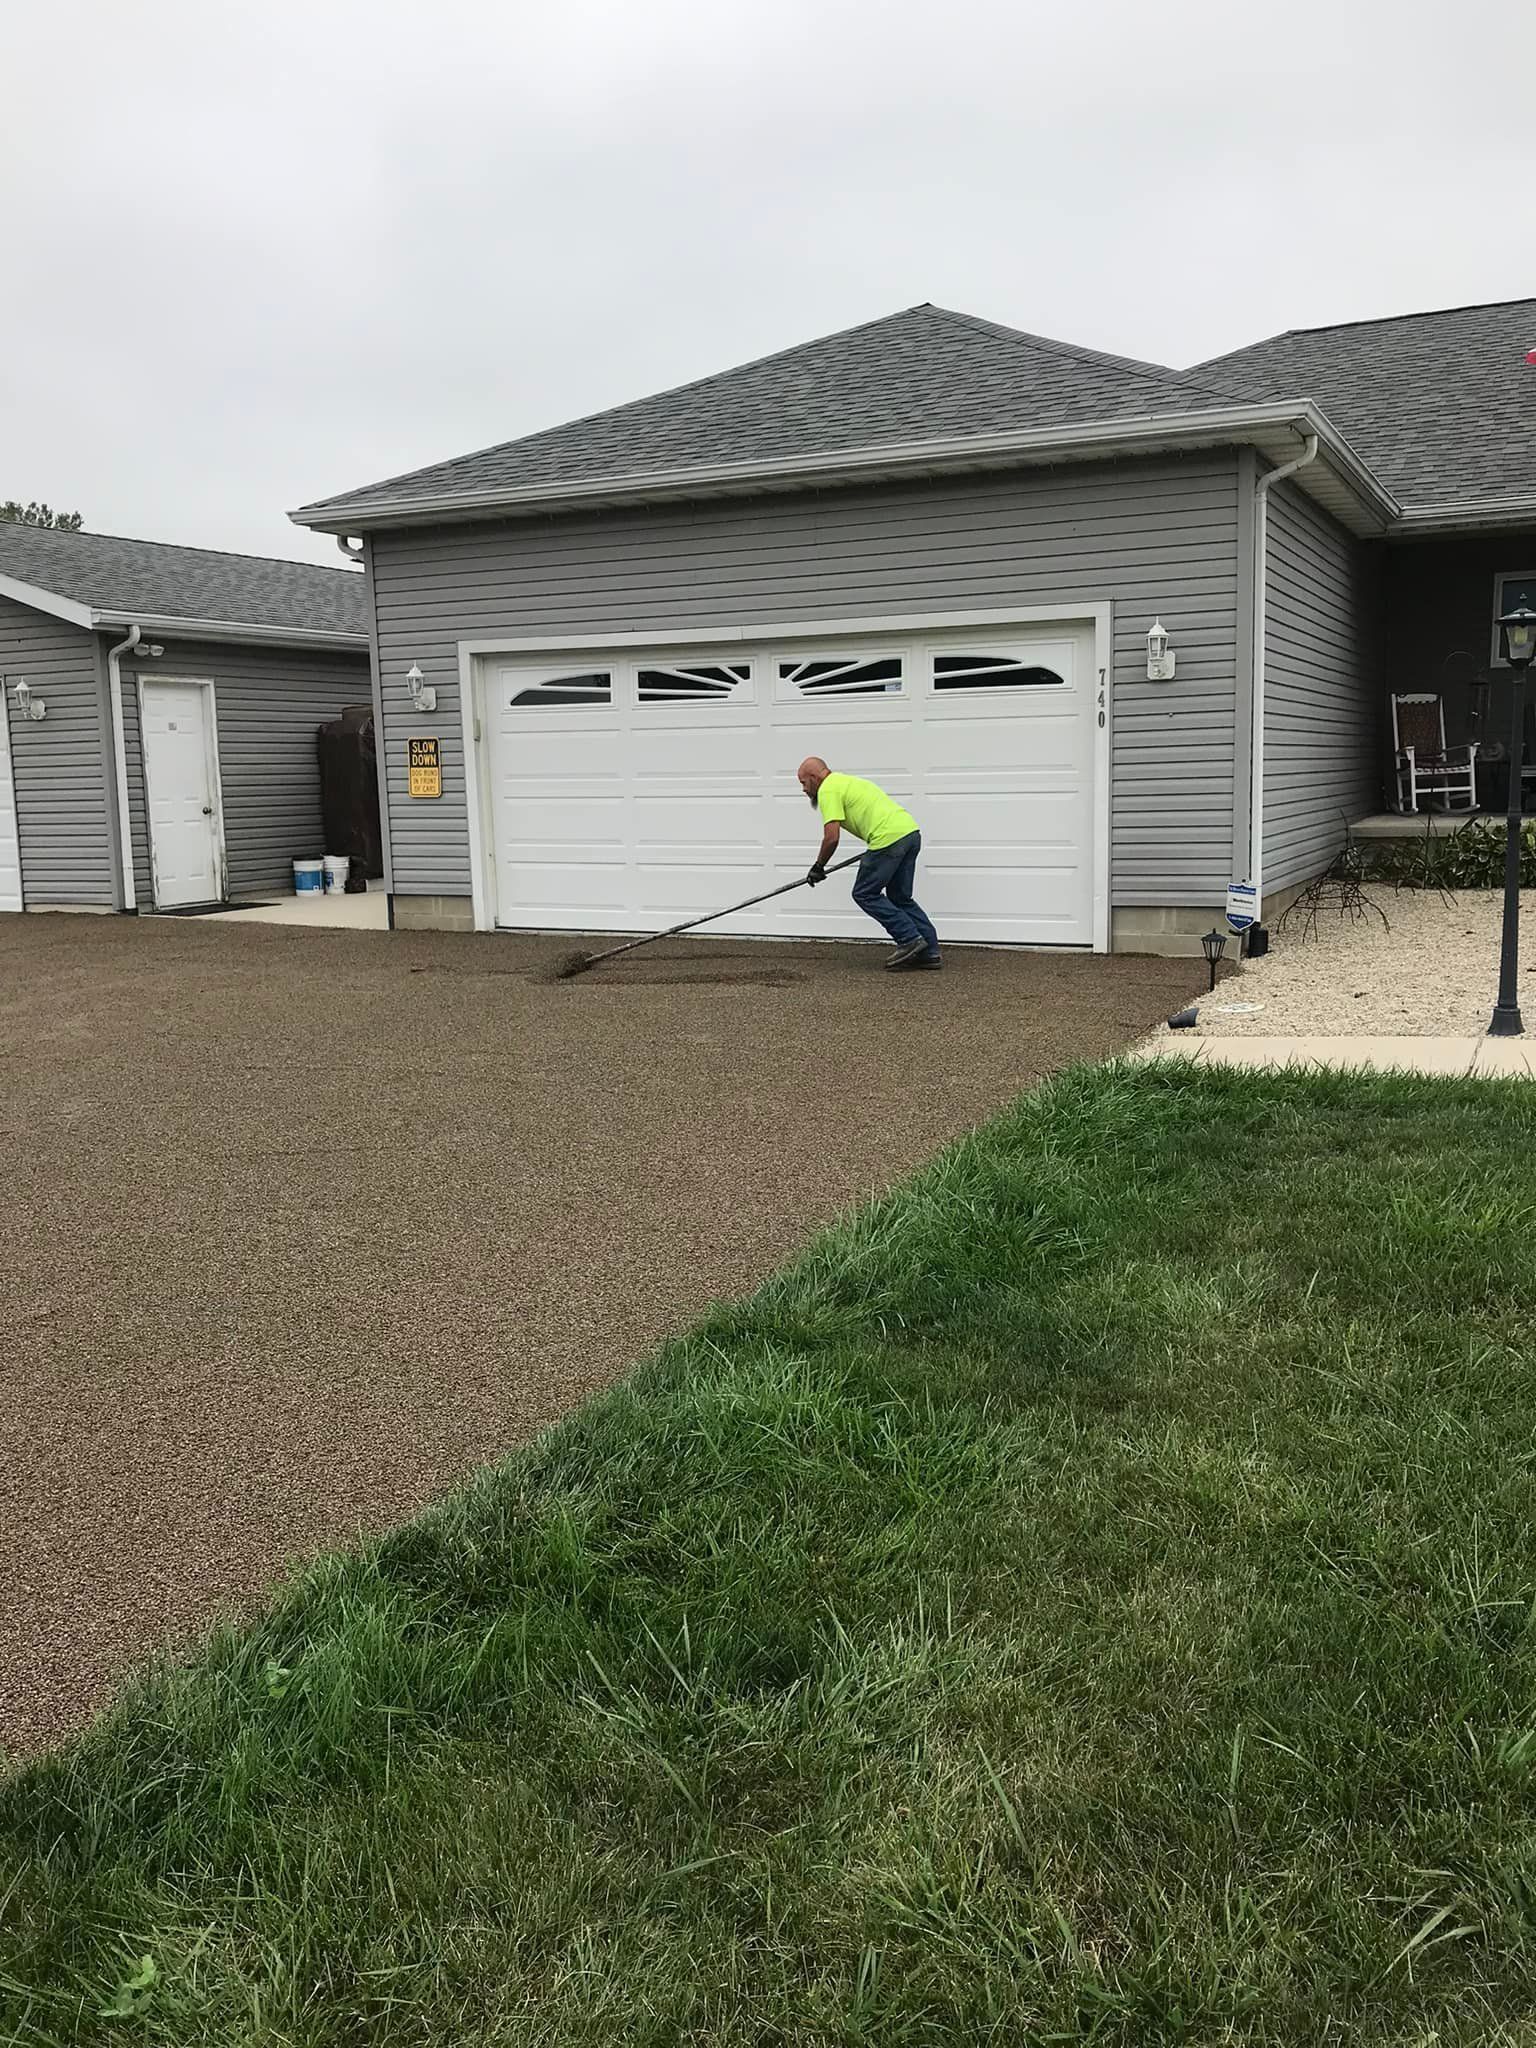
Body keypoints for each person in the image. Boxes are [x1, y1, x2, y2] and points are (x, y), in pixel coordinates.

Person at [796, 756, 940, 970]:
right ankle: (929, 952)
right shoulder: (847, 782)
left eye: (803, 783)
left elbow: (831, 837)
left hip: (888, 839)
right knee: (900, 897)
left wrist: (818, 866)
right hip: (909, 833)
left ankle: (909, 939)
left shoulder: (828, 790)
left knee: (864, 892)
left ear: (815, 778)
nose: (803, 789)